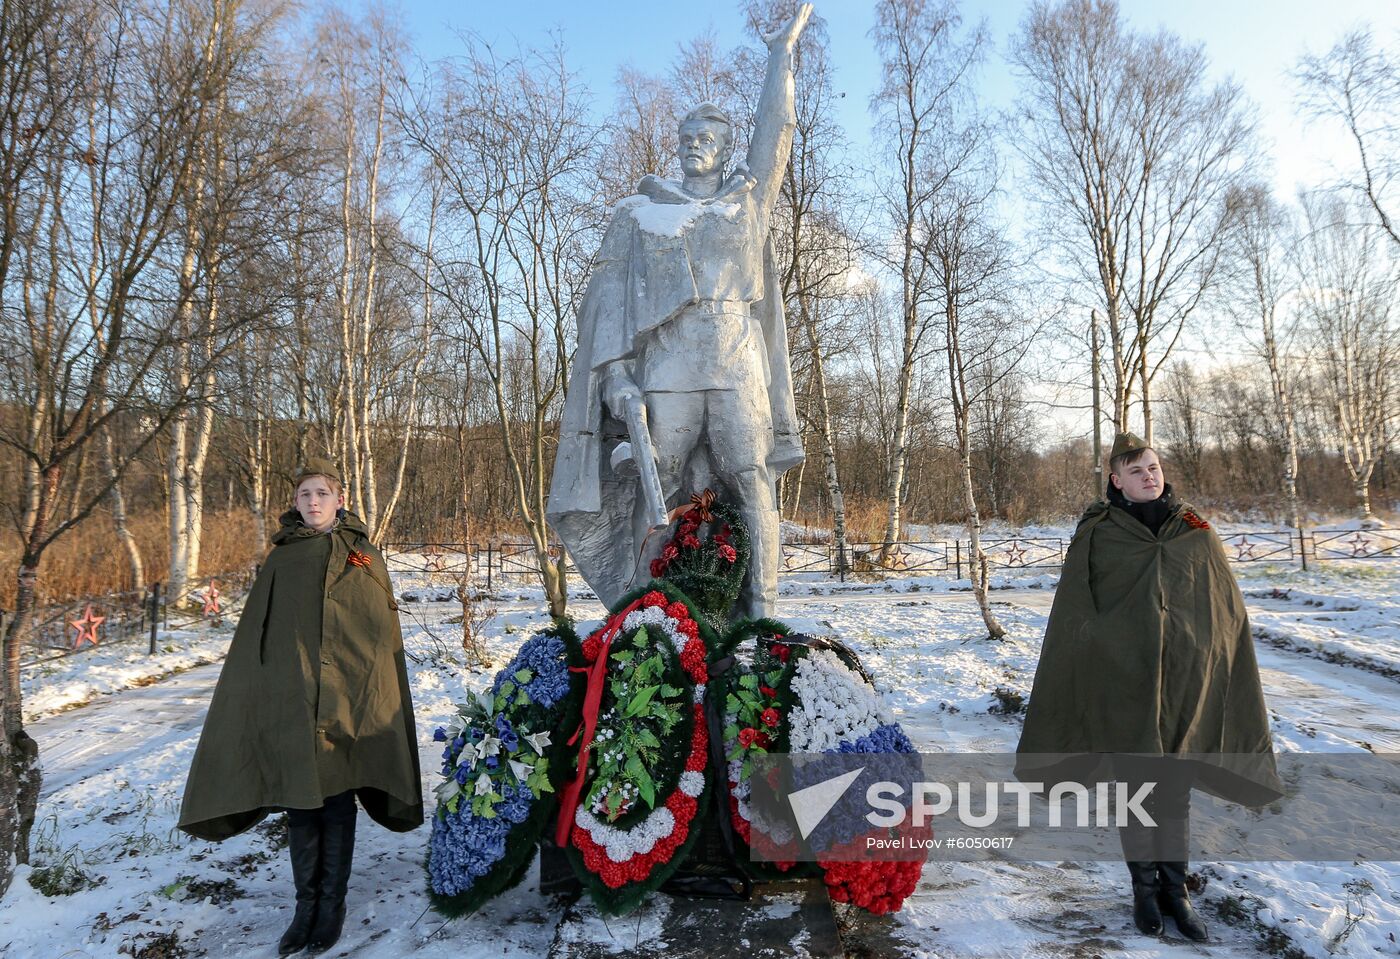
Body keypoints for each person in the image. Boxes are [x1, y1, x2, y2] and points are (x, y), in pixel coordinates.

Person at [547, 5, 813, 621]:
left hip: (736, 363)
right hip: (668, 366)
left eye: (706, 140)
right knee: (656, 487)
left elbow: (776, 135)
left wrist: (780, 56)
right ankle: (647, 618)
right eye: (686, 138)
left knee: (752, 484)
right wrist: (616, 376)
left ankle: (763, 619)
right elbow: (608, 301)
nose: (694, 146)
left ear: (723, 150)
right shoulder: (641, 214)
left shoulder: (747, 205)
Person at [1017, 433, 1281, 942]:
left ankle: (1175, 891)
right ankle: (1142, 889)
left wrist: (1208, 657)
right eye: (1138, 471)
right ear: (1117, 480)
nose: (1150, 477)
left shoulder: (1194, 531)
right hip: (1123, 683)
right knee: (1135, 792)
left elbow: (1221, 609)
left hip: (1183, 682)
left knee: (1174, 792)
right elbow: (1078, 611)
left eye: (1154, 468)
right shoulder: (1099, 533)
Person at [179, 458, 422, 955]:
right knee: (301, 805)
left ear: (340, 499)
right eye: (305, 494)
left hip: (347, 701)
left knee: (336, 802)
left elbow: (377, 636)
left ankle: (331, 907)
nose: (313, 501)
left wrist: (364, 692)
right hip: (294, 701)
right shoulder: (281, 559)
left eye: (322, 493)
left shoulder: (364, 556)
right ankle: (304, 907)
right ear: (295, 501)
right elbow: (259, 640)